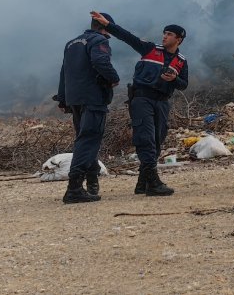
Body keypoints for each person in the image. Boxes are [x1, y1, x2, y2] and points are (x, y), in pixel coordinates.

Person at [90, 11, 188, 196]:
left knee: (157, 141)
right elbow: (128, 37)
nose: (164, 36)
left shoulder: (181, 61)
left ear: (179, 39)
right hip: (142, 99)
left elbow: (183, 85)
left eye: (169, 34)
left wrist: (174, 78)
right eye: (164, 33)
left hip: (162, 102)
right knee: (145, 138)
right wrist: (108, 25)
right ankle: (153, 182)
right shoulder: (150, 49)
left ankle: (142, 183)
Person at [55, 14, 120, 204]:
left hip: (75, 98)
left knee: (83, 140)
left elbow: (64, 71)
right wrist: (113, 78)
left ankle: (91, 181)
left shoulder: (71, 43)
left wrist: (62, 98)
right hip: (93, 97)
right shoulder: (99, 40)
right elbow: (101, 61)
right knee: (89, 140)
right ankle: (74, 188)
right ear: (105, 27)